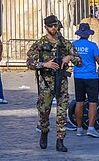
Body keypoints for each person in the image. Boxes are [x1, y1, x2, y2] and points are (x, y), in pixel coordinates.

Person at [26, 15, 81, 152]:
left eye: (56, 25)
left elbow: (80, 61)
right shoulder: (40, 44)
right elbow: (29, 63)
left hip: (61, 82)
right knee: (44, 112)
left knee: (62, 113)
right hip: (46, 83)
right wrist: (45, 64)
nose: (54, 28)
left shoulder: (65, 43)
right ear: (46, 27)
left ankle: (60, 141)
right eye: (51, 26)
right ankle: (44, 132)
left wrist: (70, 57)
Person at [72, 22, 99, 138]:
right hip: (91, 77)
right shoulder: (93, 45)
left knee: (79, 102)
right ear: (89, 34)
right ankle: (91, 128)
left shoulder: (74, 45)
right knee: (92, 103)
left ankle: (79, 128)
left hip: (78, 76)